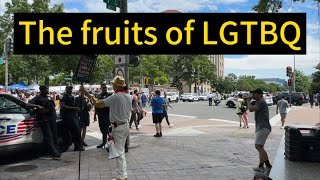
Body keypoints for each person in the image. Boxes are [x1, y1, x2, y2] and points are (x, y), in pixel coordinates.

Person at [80, 76, 131, 180]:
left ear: (116, 86)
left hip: (118, 128)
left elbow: (98, 103)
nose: (112, 86)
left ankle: (121, 177)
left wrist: (87, 93)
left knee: (119, 153)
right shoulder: (129, 96)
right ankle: (122, 175)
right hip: (124, 126)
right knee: (120, 152)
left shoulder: (115, 96)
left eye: (113, 84)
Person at [28, 85, 61, 159]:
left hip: (52, 118)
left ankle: (54, 150)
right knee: (49, 136)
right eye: (46, 89)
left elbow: (53, 107)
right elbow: (28, 104)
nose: (47, 90)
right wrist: (37, 106)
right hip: (44, 119)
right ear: (42, 90)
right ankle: (54, 152)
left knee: (54, 135)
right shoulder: (38, 97)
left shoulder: (49, 97)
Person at [247, 88, 272, 176]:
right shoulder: (259, 102)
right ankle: (261, 166)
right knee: (260, 147)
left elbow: (250, 109)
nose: (253, 95)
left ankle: (268, 166)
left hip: (263, 127)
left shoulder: (261, 102)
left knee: (258, 146)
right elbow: (250, 108)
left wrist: (248, 100)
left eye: (254, 94)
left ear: (259, 94)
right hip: (261, 127)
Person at [59, 83, 84, 152]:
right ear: (66, 88)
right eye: (69, 88)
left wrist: (76, 108)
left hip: (73, 115)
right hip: (67, 116)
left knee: (77, 131)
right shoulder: (63, 96)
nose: (70, 89)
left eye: (71, 88)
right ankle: (77, 146)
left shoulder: (71, 96)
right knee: (76, 130)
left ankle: (78, 146)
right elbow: (62, 106)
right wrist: (74, 108)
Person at [94, 83, 113, 148]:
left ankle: (112, 143)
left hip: (107, 115)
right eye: (103, 87)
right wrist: (94, 115)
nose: (104, 88)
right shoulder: (98, 96)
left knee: (109, 130)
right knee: (102, 129)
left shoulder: (110, 95)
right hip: (100, 115)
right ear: (101, 88)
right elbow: (96, 105)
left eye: (105, 87)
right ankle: (104, 142)